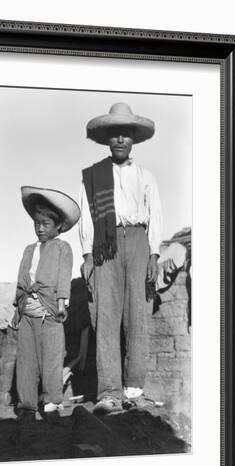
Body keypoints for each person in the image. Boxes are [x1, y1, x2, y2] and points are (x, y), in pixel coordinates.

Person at [79, 102, 163, 413]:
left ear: (133, 140)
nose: (120, 140)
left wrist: (154, 254)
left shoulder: (146, 176)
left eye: (125, 134)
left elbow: (156, 215)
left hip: (139, 241)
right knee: (107, 317)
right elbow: (88, 217)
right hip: (106, 244)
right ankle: (109, 392)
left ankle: (134, 388)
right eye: (115, 134)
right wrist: (88, 254)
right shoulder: (93, 176)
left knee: (137, 315)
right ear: (107, 138)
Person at [12, 186, 80, 422]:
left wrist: (61, 304)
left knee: (51, 358)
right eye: (36, 223)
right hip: (27, 314)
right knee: (26, 360)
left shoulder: (63, 248)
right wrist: (17, 308)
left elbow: (63, 279)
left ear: (58, 226)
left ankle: (52, 400)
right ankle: (27, 404)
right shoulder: (29, 250)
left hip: (49, 312)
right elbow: (21, 279)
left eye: (46, 224)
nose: (40, 228)